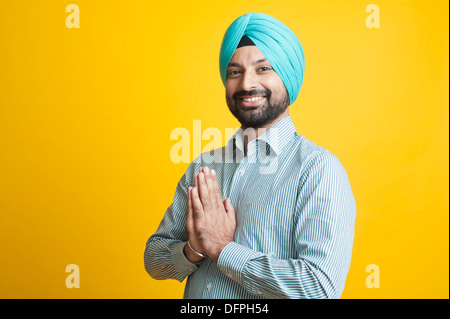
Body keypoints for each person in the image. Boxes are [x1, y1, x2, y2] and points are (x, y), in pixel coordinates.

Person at [144, 12, 356, 299]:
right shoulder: (203, 167)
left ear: (288, 75)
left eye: (263, 68)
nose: (246, 84)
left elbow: (319, 288)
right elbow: (154, 260)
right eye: (235, 72)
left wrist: (222, 249)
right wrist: (192, 249)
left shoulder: (317, 169)